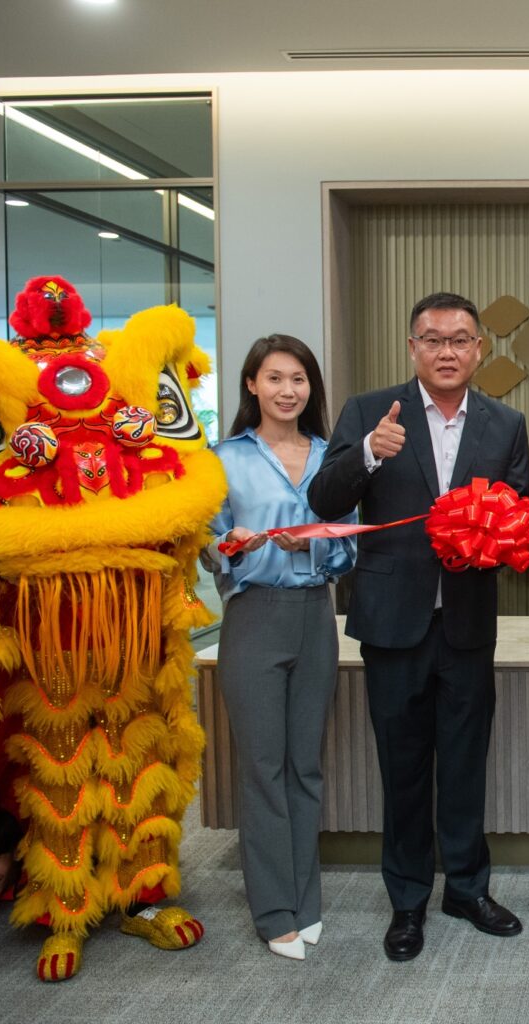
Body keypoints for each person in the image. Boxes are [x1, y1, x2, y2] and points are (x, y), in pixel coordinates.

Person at [308, 292, 529, 963]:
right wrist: (368, 456)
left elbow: (517, 514)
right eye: (432, 339)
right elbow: (323, 500)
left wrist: (517, 529)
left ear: (479, 349)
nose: (446, 351)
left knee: (464, 764)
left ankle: (466, 887)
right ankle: (408, 901)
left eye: (460, 339)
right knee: (402, 768)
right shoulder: (371, 411)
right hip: (392, 621)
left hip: (466, 622)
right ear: (412, 348)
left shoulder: (506, 422)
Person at [205, 334, 356, 961]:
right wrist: (237, 545)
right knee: (263, 769)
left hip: (316, 616)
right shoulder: (222, 459)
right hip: (253, 616)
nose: (287, 391)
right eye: (274, 379)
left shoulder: (330, 456)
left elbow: (348, 547)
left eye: (298, 380)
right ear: (251, 385)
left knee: (305, 766)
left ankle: (306, 898)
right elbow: (207, 545)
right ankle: (273, 911)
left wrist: (314, 545)